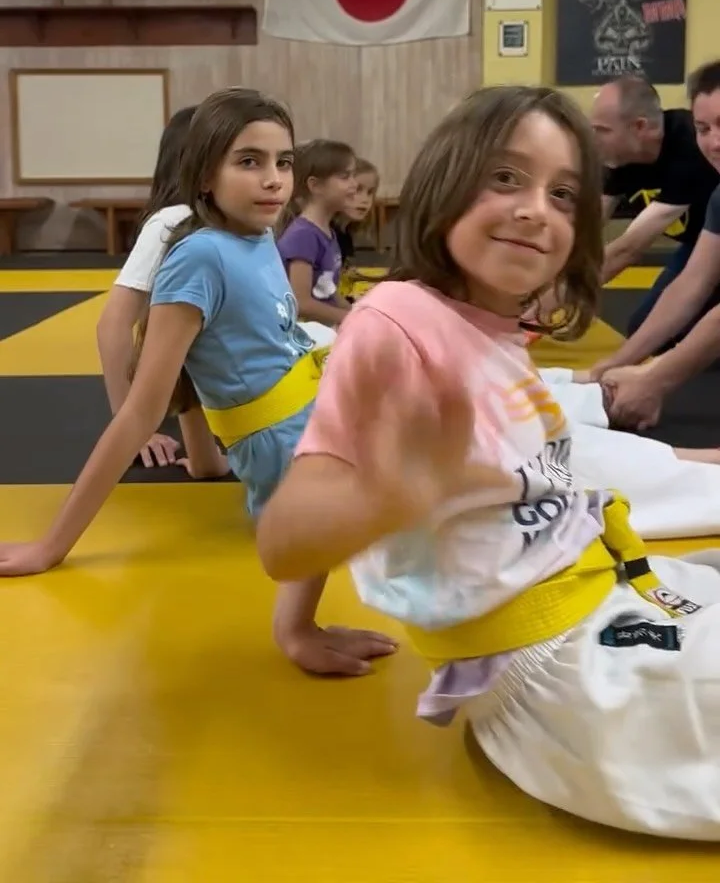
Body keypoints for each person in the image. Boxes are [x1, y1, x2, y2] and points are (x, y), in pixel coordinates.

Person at [257, 85, 720, 840]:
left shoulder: (486, 326)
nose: (536, 209)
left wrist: (298, 626)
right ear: (445, 183)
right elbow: (289, 533)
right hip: (567, 671)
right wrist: (393, 494)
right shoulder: (398, 321)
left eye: (563, 193)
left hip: (600, 601)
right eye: (505, 178)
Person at [0, 88, 396, 678]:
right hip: (283, 440)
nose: (273, 179)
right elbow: (140, 413)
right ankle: (296, 629)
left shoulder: (258, 237)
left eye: (283, 161)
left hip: (314, 407)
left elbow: (272, 336)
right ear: (205, 176)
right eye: (249, 161)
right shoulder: (198, 257)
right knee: (353, 513)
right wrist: (49, 545)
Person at [96, 104, 228, 477]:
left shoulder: (230, 225)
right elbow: (113, 325)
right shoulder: (173, 221)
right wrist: (130, 428)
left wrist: (206, 460)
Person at [591, 61, 720, 428]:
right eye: (703, 128)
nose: (714, 143)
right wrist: (608, 367)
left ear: (640, 127)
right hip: (697, 244)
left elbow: (628, 248)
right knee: (645, 327)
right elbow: (690, 284)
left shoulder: (687, 156)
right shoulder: (719, 198)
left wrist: (656, 379)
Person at [277, 139, 357, 327]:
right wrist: (350, 318)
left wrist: (357, 311)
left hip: (324, 327)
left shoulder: (327, 231)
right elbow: (301, 303)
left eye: (353, 176)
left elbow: (328, 290)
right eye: (345, 177)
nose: (354, 184)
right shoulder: (303, 236)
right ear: (315, 186)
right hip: (305, 332)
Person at [335, 157, 380, 299]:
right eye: (357, 190)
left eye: (370, 192)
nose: (365, 199)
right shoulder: (323, 234)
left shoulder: (345, 233)